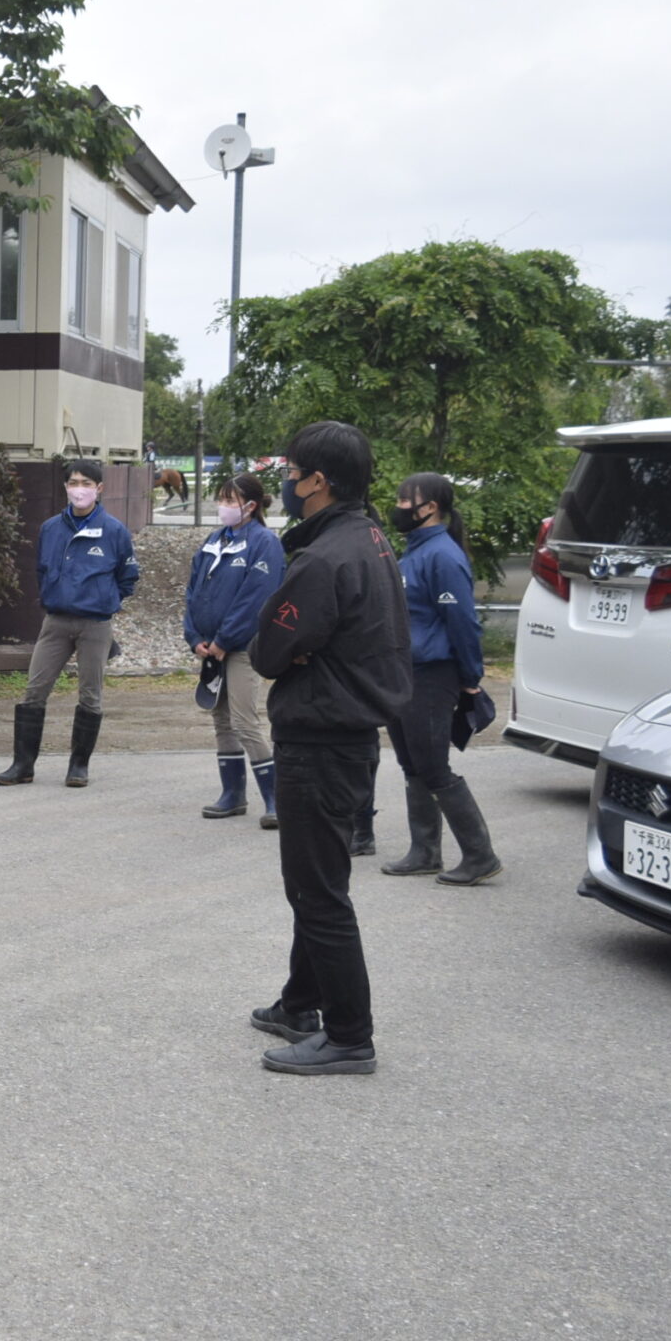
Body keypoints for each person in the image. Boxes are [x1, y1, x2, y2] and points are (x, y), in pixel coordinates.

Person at [246, 421, 412, 1075]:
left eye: (292, 470)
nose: (286, 480)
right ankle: (300, 1001)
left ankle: (349, 1033)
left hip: (320, 737)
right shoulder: (371, 538)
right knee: (320, 879)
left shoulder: (324, 558)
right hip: (349, 737)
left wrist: (296, 649)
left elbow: (266, 652)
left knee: (317, 892)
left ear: (317, 480)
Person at [377, 473, 503, 885]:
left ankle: (480, 855)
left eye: (404, 499)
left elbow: (462, 622)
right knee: (412, 762)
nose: (397, 505)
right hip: (405, 672)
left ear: (429, 507)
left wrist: (471, 678)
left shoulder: (443, 556)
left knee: (433, 766)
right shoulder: (413, 552)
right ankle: (425, 852)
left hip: (433, 674)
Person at [0, 459, 139, 788]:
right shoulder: (50, 528)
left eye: (86, 483)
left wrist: (106, 600)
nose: (79, 489)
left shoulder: (115, 531)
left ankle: (78, 766)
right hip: (56, 622)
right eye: (73, 482)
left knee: (91, 695)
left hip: (95, 625)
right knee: (34, 691)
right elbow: (42, 570)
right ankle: (22, 765)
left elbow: (128, 576)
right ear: (66, 487)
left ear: (99, 489)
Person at [184, 472, 286, 823]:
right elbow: (193, 591)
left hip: (241, 647)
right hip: (211, 648)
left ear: (251, 505)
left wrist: (225, 640)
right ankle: (233, 794)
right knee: (221, 720)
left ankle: (275, 799)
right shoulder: (214, 541)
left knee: (244, 721)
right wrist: (194, 636)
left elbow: (256, 598)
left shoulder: (264, 543)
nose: (223, 507)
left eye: (230, 501)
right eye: (221, 500)